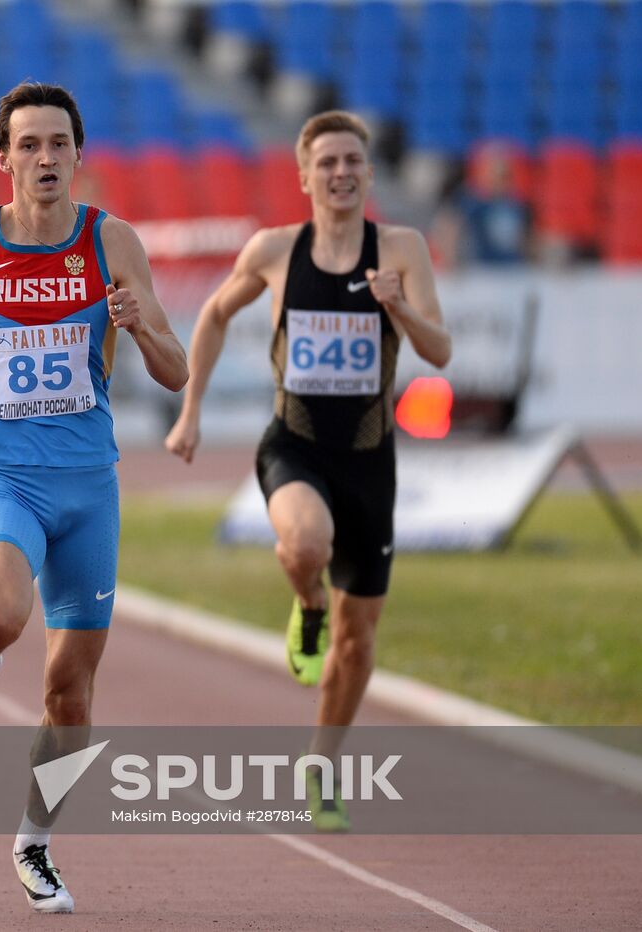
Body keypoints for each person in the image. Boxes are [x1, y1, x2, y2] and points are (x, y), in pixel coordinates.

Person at [0, 82, 188, 913]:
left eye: (59, 143)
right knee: (0, 614)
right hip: (5, 475)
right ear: (4, 158)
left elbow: (177, 372)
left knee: (71, 692)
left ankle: (36, 841)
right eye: (29, 145)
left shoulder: (112, 242)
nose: (46, 158)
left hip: (90, 486)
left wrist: (143, 326)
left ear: (79, 154)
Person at [163, 111, 451, 830]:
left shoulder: (402, 249)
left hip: (369, 460)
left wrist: (399, 309)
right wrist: (190, 411)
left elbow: (440, 352)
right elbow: (214, 316)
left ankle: (322, 766)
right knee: (306, 545)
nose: (341, 172)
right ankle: (309, 605)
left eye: (353, 159)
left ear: (369, 173)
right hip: (292, 443)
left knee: (358, 646)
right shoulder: (273, 251)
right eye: (326, 162)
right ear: (304, 176)